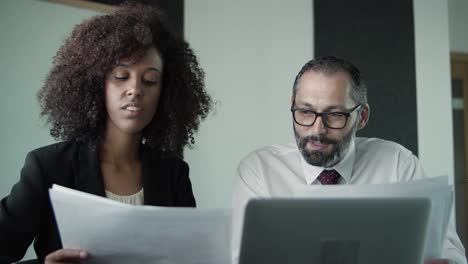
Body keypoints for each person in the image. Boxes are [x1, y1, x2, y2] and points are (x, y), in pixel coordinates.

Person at [0, 3, 212, 263]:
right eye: (121, 76)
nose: (135, 89)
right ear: (96, 84)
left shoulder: (173, 174)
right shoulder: (49, 166)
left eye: (150, 80)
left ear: (166, 93)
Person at [231, 56, 467, 264]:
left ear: (361, 117)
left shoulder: (398, 164)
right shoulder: (259, 171)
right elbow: (240, 259)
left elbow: (450, 254)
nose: (317, 129)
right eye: (305, 111)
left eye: (334, 115)